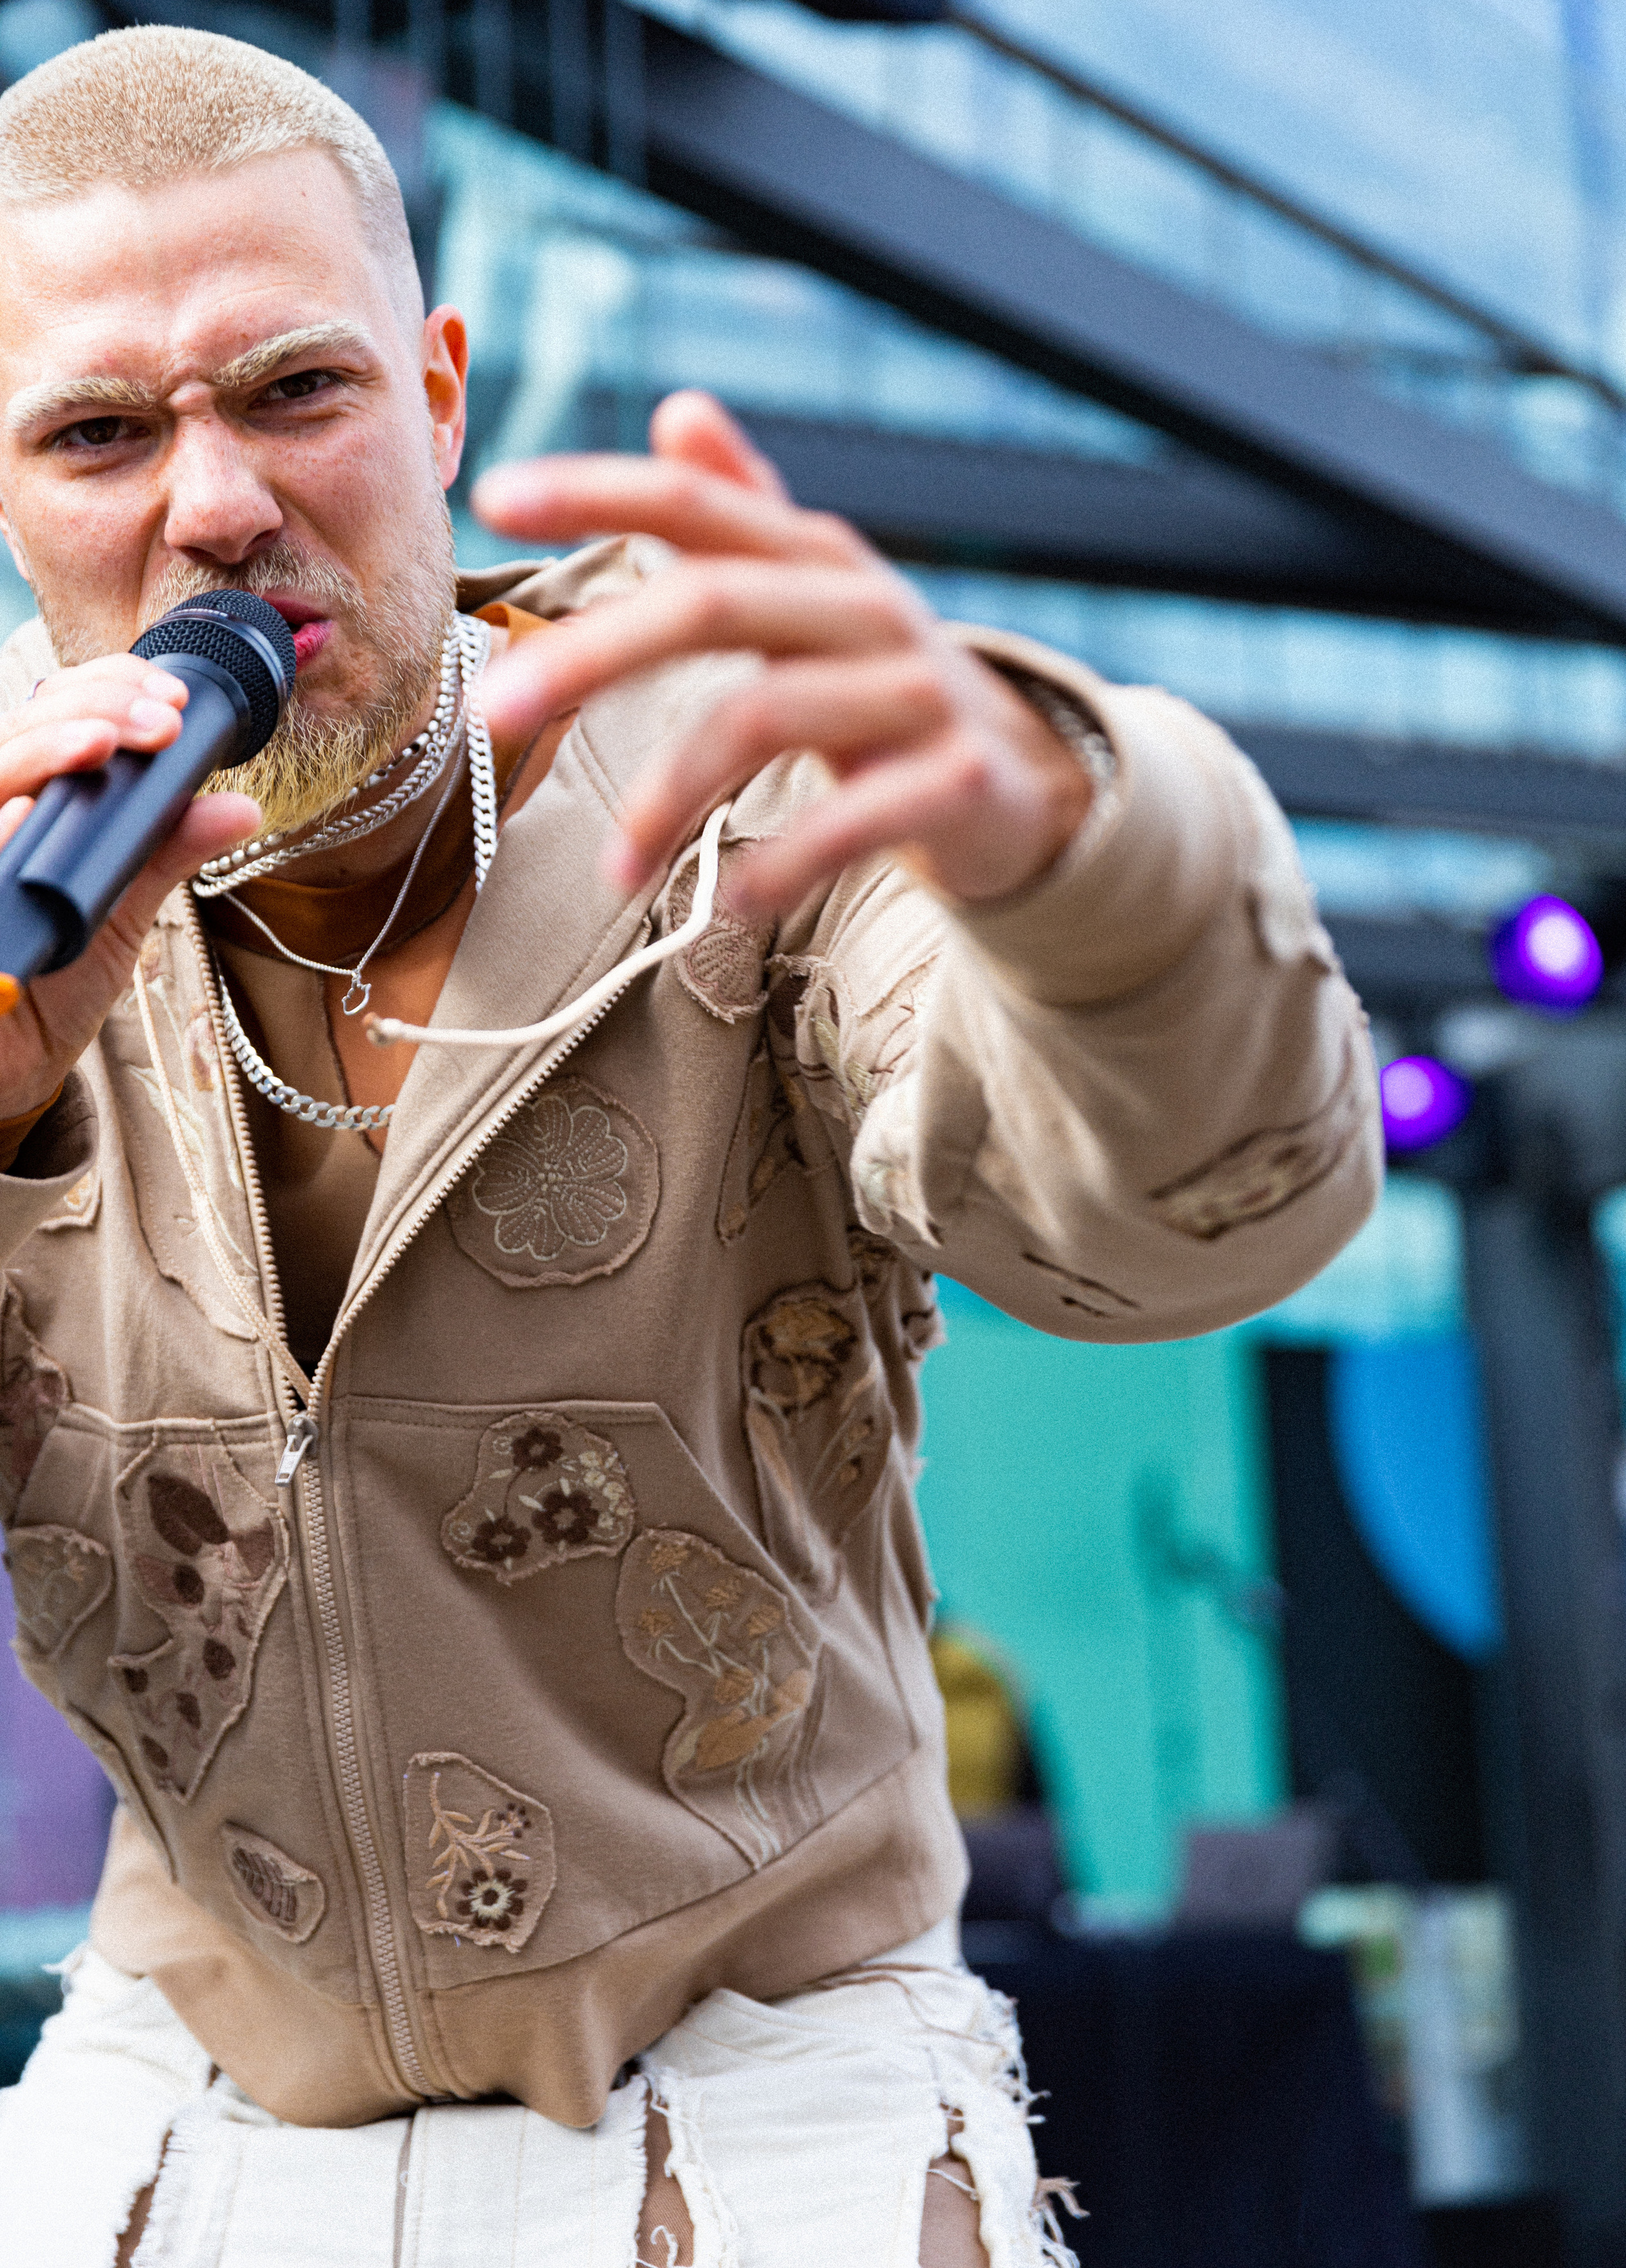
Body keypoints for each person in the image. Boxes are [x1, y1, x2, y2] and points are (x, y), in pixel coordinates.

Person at [0, 27, 1380, 2267]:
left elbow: (1186, 1216)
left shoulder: (743, 775)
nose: (215, 502)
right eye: (96, 430)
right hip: (191, 2101)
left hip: (767, 2100)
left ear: (440, 397)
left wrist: (1087, 863)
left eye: (292, 391)